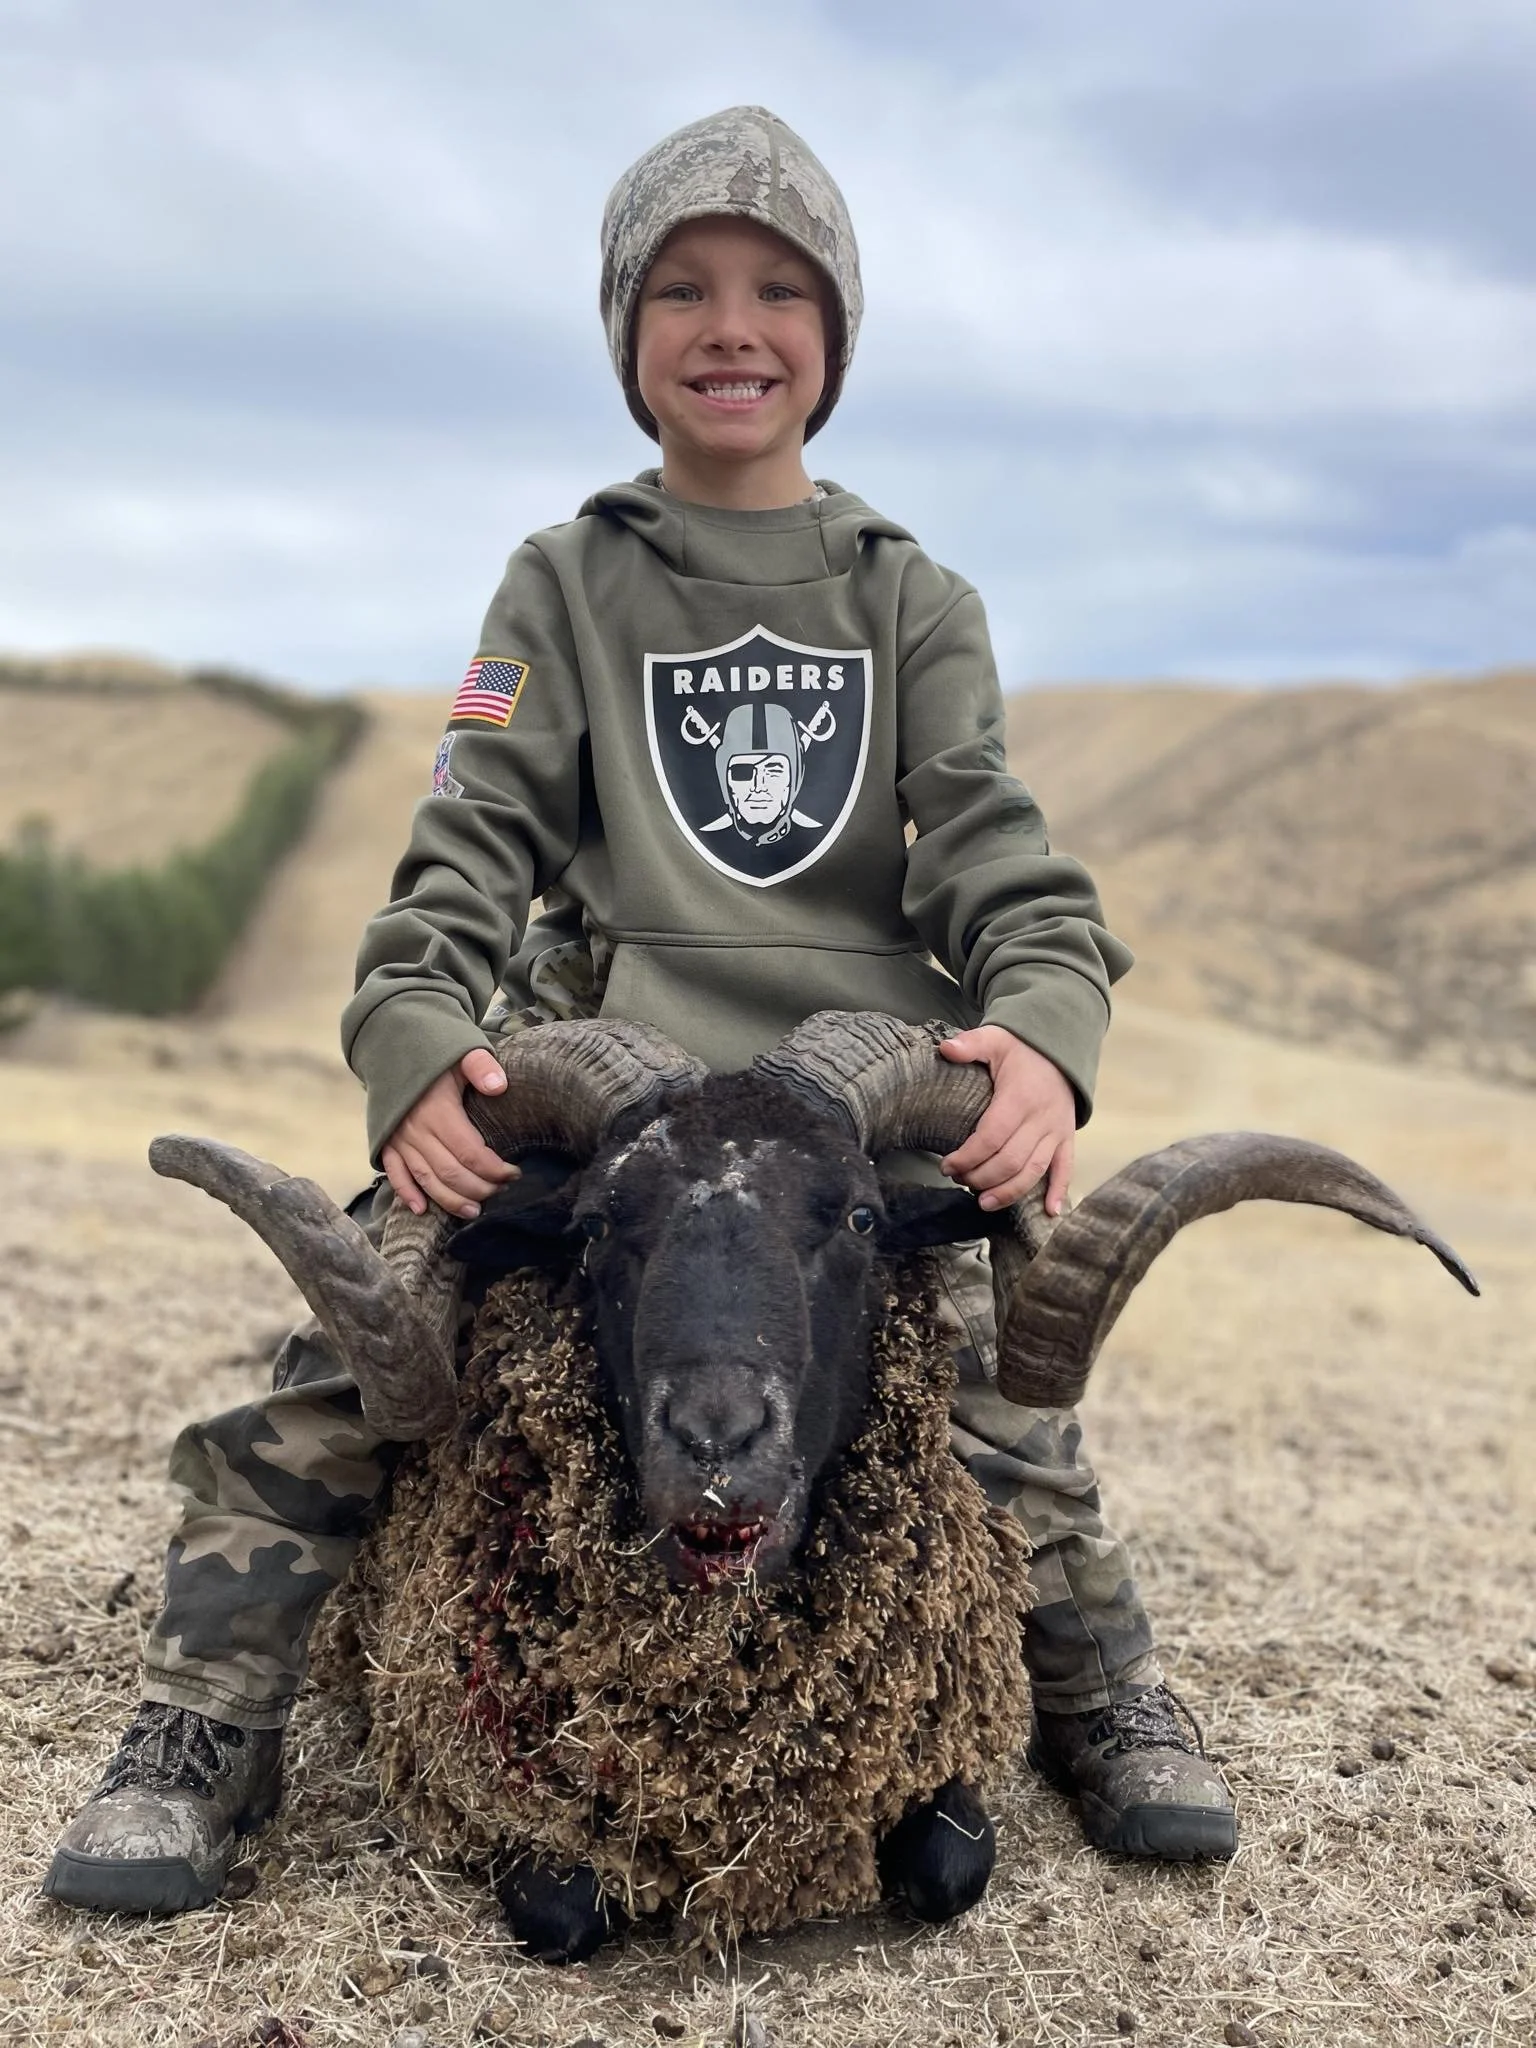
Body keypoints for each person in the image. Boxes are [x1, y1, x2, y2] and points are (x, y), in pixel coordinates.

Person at [45, 106, 1235, 1917]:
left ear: (835, 342)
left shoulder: (912, 598)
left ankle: (1098, 1687)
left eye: (778, 290)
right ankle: (207, 1718)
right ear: (627, 337)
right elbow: (465, 855)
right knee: (340, 1377)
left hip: (850, 1113)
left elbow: (1004, 864)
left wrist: (1048, 1042)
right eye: (681, 288)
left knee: (1002, 1417)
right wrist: (416, 1052)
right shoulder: (565, 580)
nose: (730, 324)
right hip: (609, 1102)